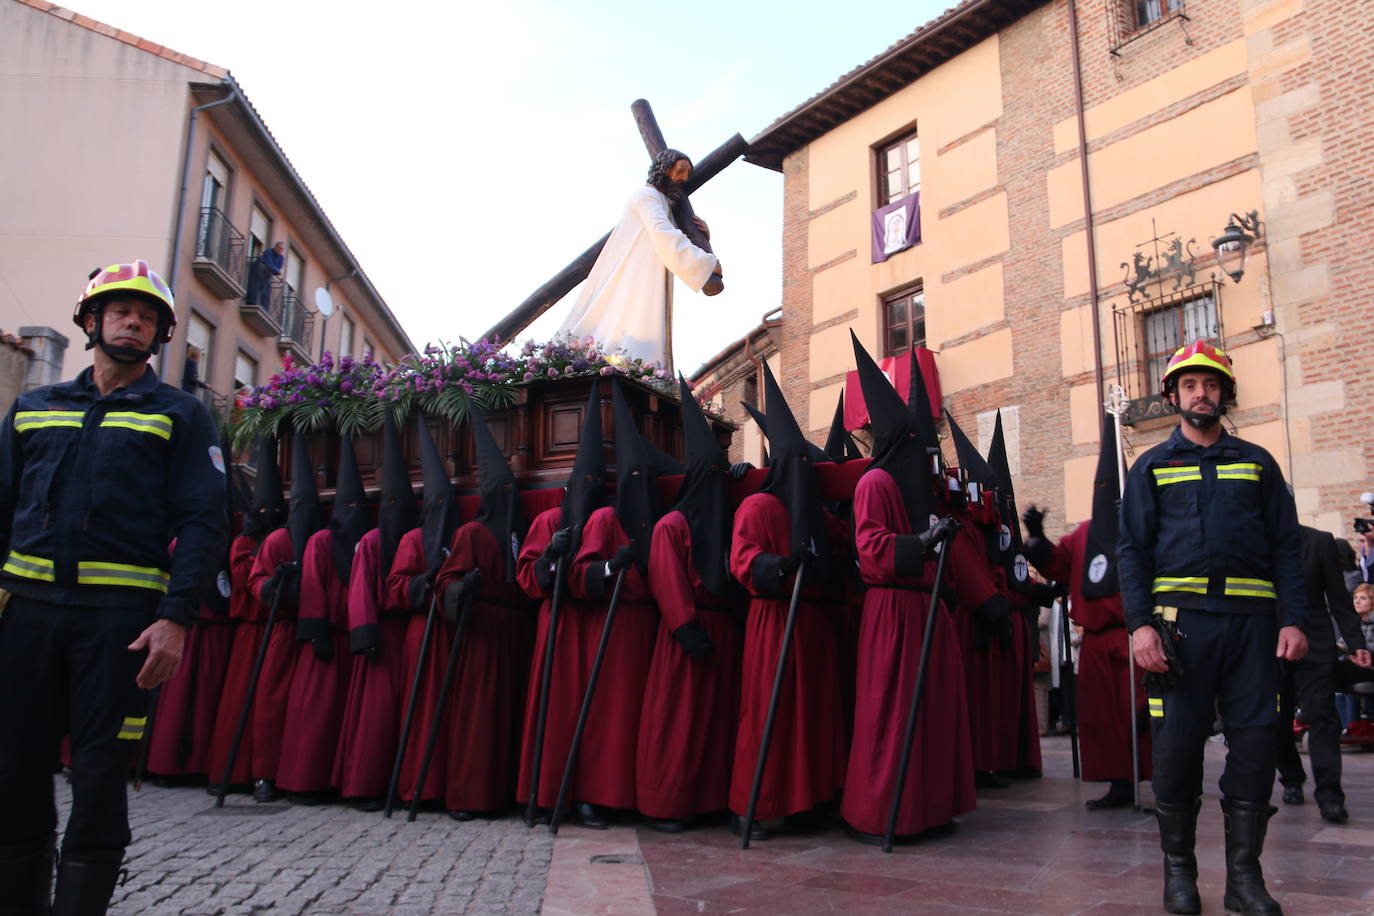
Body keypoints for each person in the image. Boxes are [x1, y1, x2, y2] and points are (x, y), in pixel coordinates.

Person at [0, 260, 228, 912]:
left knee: (100, 781)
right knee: (13, 776)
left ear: (160, 334)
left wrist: (177, 618)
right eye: (121, 311)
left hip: (119, 627)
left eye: (148, 315)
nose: (134, 321)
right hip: (27, 618)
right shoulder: (31, 409)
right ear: (91, 321)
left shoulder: (181, 417)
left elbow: (203, 521)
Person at [1119, 340, 1308, 916]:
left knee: (1254, 750)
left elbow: (1286, 547)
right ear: (1173, 395)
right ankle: (1180, 875)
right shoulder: (1151, 466)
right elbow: (1131, 551)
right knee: (1176, 754)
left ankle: (1244, 881)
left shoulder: (1258, 462)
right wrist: (1139, 627)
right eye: (1189, 385)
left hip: (1253, 631)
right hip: (1180, 633)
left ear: (1225, 393)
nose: (1201, 394)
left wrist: (1295, 619)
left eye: (1211, 384)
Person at [839, 333, 972, 842]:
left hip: (924, 613)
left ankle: (929, 808)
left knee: (930, 718)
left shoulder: (915, 490)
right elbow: (871, 551)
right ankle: (880, 813)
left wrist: (939, 539)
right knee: (891, 716)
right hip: (893, 615)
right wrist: (922, 540)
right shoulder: (875, 484)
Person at [728, 363, 845, 839]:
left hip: (811, 624)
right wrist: (779, 567)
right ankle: (753, 804)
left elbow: (845, 539)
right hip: (773, 621)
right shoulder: (757, 506)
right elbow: (741, 560)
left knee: (810, 719)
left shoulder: (813, 514)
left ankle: (805, 802)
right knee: (767, 716)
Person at [636, 376, 748, 832]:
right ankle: (668, 804)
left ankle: (707, 800)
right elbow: (667, 582)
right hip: (688, 637)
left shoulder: (723, 519)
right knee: (678, 725)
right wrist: (686, 630)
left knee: (713, 725)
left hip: (721, 629)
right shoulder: (673, 524)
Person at [1023, 413, 1151, 810]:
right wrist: (1038, 539)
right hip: (1094, 640)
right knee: (1101, 718)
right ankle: (1117, 783)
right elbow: (1057, 566)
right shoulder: (1083, 534)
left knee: (1142, 715)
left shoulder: (1146, 528)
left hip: (1135, 637)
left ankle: (1162, 780)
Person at [431, 408, 533, 820]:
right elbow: (445, 583)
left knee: (506, 717)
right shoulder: (471, 533)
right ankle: (469, 796)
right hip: (482, 635)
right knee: (477, 717)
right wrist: (463, 588)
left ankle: (502, 793)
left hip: (513, 631)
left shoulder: (516, 533)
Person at [558, 149, 721, 369]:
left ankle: (641, 370)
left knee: (644, 324)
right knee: (629, 321)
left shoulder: (662, 203)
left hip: (649, 273)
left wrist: (703, 237)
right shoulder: (645, 197)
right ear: (664, 169)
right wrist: (705, 263)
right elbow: (663, 234)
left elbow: (670, 236)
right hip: (635, 273)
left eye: (687, 173)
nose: (683, 178)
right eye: (680, 170)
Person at [1273, 525, 1370, 822]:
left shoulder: (1319, 542)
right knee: (1277, 716)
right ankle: (1291, 777)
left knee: (1322, 715)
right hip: (1269, 641)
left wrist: (1356, 643)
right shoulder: (1251, 539)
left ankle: (1330, 796)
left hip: (1315, 640)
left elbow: (1339, 597)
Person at [248, 241, 286, 308]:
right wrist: (276, 270)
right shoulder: (269, 251)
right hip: (258, 269)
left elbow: (278, 267)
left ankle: (264, 309)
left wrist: (276, 270)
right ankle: (251, 303)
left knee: (266, 293)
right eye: (279, 248)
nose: (280, 250)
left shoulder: (281, 258)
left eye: (282, 249)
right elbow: (269, 263)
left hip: (267, 274)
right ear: (275, 247)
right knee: (254, 287)